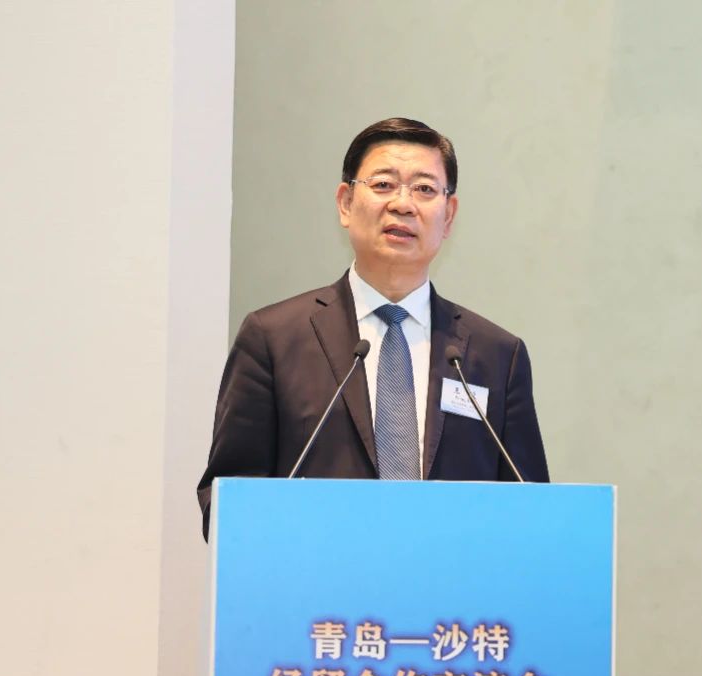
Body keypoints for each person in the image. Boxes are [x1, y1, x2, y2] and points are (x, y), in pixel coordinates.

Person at [197, 117, 549, 540]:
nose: (403, 204)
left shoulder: (496, 356)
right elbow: (228, 501)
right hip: (319, 579)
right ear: (346, 203)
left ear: (449, 215)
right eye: (383, 185)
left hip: (451, 581)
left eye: (424, 189)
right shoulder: (274, 339)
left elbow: (532, 513)